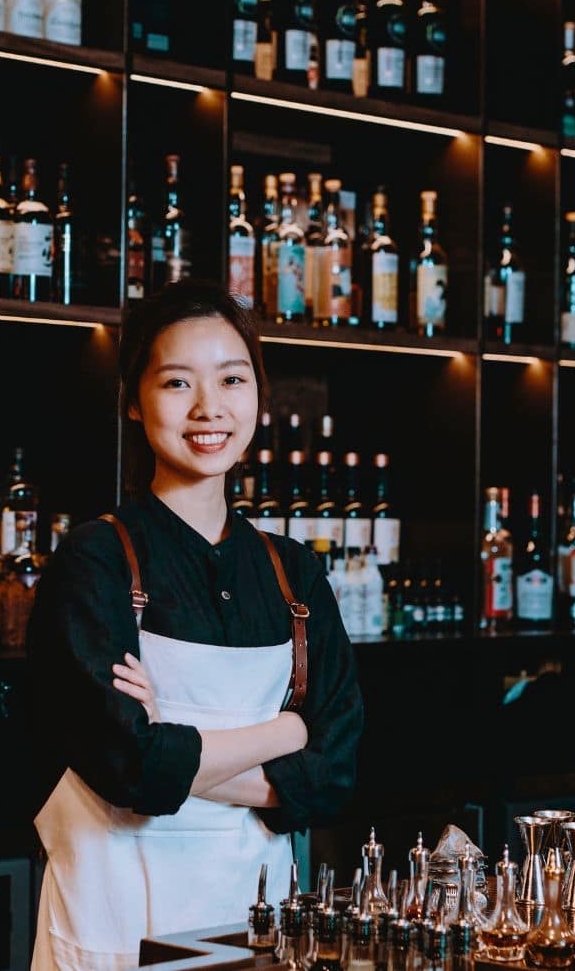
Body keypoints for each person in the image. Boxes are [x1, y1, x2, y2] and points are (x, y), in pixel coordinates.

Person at [27, 280, 363, 969]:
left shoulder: (293, 572)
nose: (209, 407)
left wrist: (168, 746)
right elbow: (128, 766)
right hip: (113, 926)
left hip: (257, 928)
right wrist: (287, 731)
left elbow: (336, 773)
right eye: (178, 382)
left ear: (258, 396)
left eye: (232, 379)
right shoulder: (96, 559)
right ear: (133, 398)